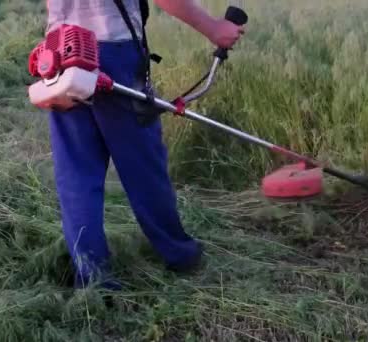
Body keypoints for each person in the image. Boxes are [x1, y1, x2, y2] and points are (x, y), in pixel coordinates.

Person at [45, 0, 245, 290]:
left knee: (77, 175)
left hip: (60, 52)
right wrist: (213, 28)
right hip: (112, 49)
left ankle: (93, 279)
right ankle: (178, 253)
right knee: (143, 166)